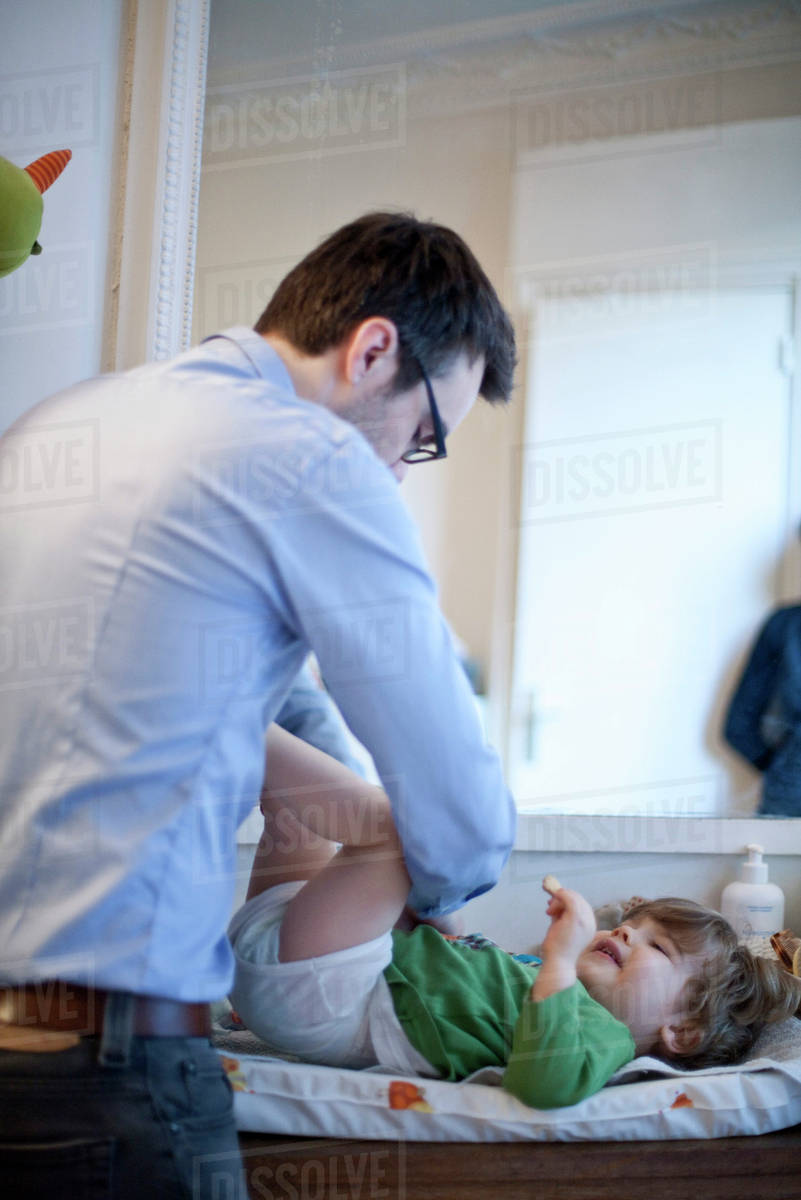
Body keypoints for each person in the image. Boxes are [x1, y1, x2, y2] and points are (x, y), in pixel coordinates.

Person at [0, 212, 517, 1195]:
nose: (402, 471)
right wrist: (437, 897)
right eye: (424, 435)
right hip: (105, 1071)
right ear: (373, 349)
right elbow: (463, 817)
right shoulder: (304, 457)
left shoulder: (51, 426)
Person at [229, 726, 801, 1109]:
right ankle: (250, 720)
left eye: (658, 948)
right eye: (636, 926)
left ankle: (235, 714)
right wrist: (439, 923)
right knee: (294, 804)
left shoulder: (603, 1038)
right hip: (311, 963)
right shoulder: (542, 981)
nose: (626, 931)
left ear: (682, 1031)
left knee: (400, 833)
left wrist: (557, 959)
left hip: (326, 989)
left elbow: (540, 1084)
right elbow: (448, 980)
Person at [723, 604, 801, 816]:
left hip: (790, 793)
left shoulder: (786, 623)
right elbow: (738, 728)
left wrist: (784, 767)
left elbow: (738, 727)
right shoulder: (786, 624)